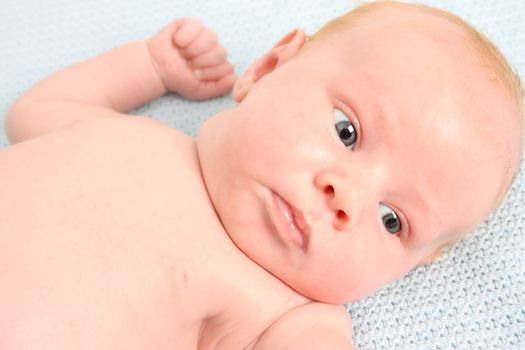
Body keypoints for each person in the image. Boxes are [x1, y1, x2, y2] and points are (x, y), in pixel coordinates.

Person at [1, 1, 523, 349]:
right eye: (347, 132)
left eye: (392, 220)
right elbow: (37, 108)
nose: (347, 197)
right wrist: (149, 67)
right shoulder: (133, 137)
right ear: (269, 68)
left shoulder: (286, 313)